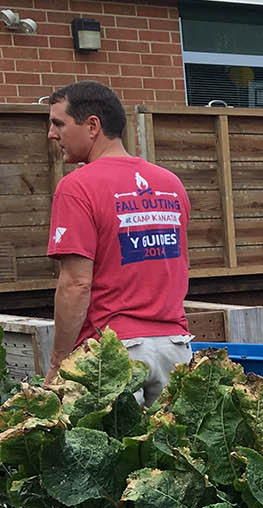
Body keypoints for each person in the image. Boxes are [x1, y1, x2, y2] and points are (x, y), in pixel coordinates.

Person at [44, 80, 192, 405]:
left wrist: (57, 363)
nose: (51, 135)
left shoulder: (77, 187)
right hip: (175, 348)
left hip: (111, 355)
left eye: (59, 124)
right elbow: (175, 266)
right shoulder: (171, 184)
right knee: (174, 453)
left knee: (108, 453)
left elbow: (75, 284)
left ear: (92, 125)